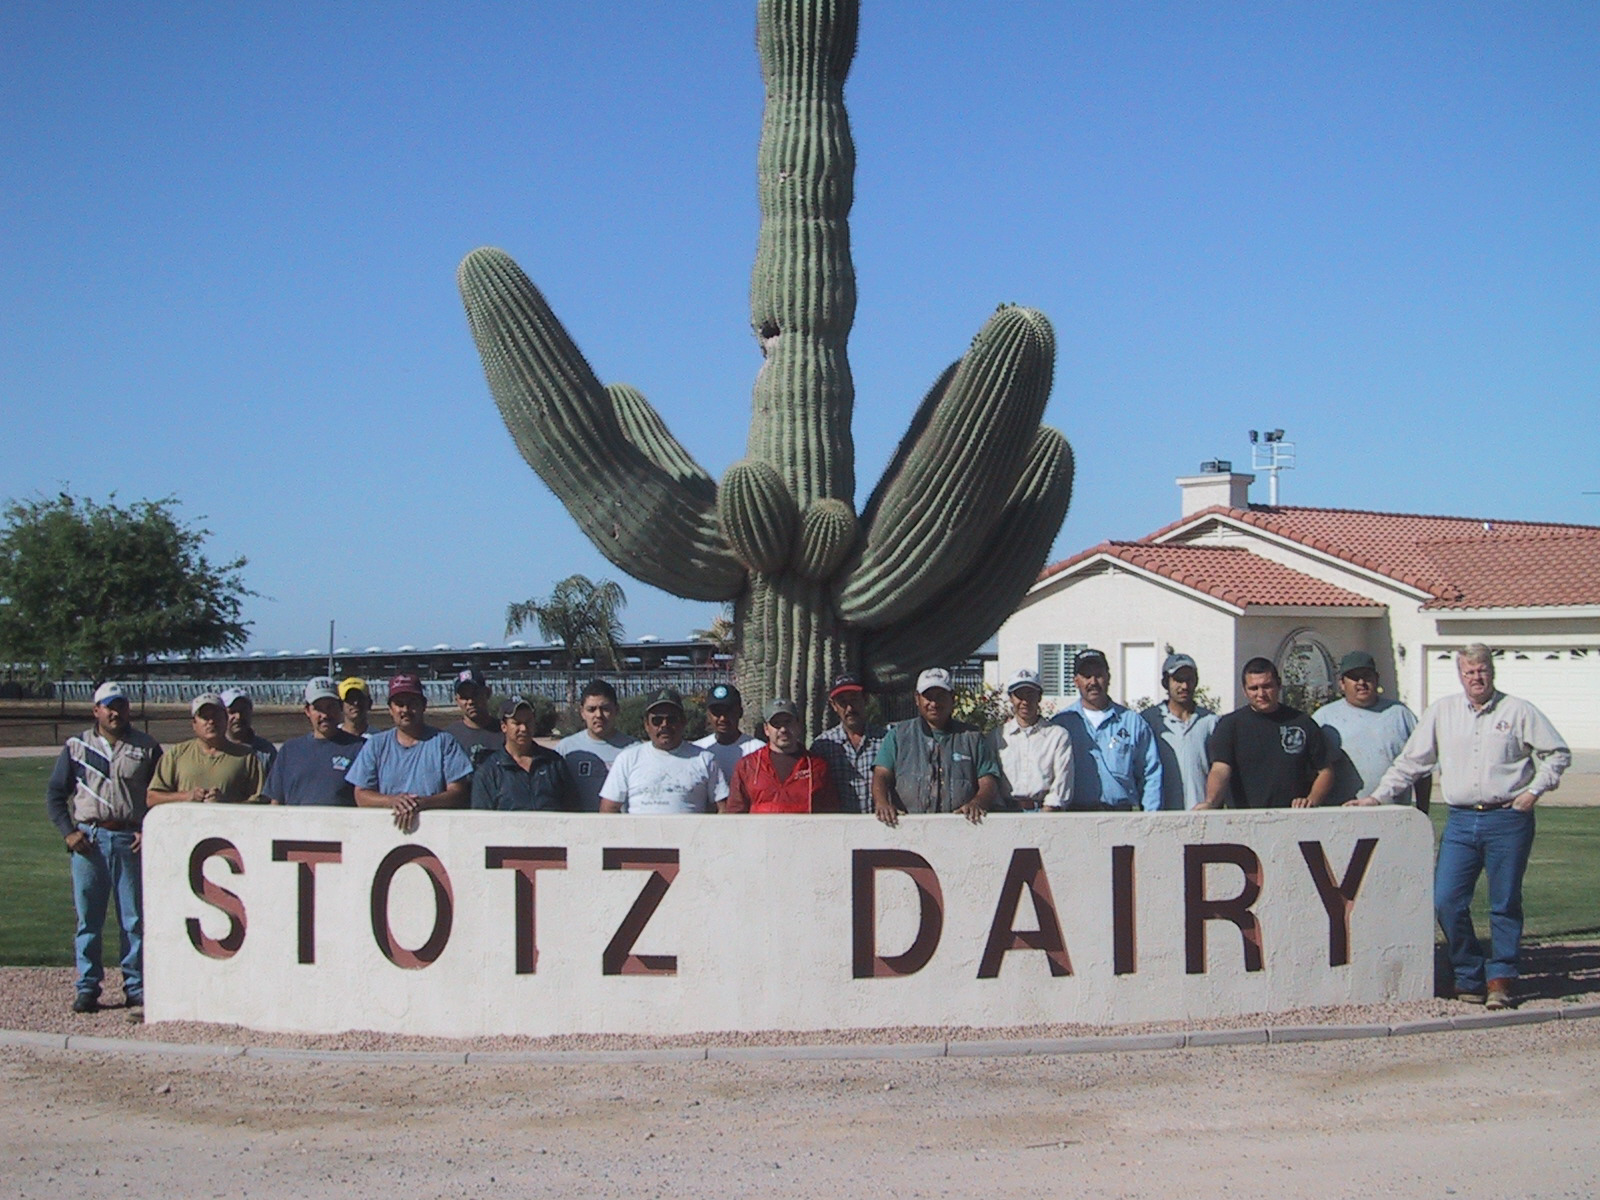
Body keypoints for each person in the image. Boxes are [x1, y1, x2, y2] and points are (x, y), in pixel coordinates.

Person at [1356, 644, 1570, 1009]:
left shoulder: (1518, 711)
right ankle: (1469, 973)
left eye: (1482, 670)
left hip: (1508, 818)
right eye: (1469, 672)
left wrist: (1534, 791)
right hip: (1461, 820)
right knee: (1446, 900)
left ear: (1492, 671)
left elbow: (1557, 753)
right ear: (1460, 674)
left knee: (1504, 902)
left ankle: (1501, 977)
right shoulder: (1443, 712)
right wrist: (1377, 796)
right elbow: (1412, 762)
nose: (1477, 677)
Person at [44, 682, 162, 1015]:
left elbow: (159, 794)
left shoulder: (147, 747)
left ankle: (135, 986)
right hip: (89, 841)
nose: (115, 712)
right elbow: (56, 795)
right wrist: (68, 832)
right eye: (108, 706)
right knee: (88, 919)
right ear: (96, 710)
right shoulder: (77, 746)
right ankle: (87, 987)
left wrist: (147, 828)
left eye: (120, 705)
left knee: (134, 920)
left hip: (130, 840)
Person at [1199, 658, 1334, 810]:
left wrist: (1311, 801)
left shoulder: (1302, 723)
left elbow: (1325, 771)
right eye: (1254, 688)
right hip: (1244, 821)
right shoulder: (1229, 725)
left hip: (1293, 820)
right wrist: (1210, 802)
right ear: (1244, 690)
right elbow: (1220, 769)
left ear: (1279, 685)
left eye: (1267, 686)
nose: (1261, 694)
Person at [346, 673, 474, 830]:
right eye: (399, 704)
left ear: (424, 705)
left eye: (412, 703)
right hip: (385, 832)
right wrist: (392, 801)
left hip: (435, 832)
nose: (405, 710)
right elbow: (361, 795)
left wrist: (421, 803)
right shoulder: (375, 744)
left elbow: (458, 793)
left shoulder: (445, 742)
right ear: (390, 709)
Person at [872, 668, 998, 826]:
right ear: (917, 699)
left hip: (961, 828)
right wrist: (882, 803)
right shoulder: (897, 736)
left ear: (952, 698)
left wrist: (977, 803)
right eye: (928, 697)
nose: (934, 703)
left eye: (940, 696)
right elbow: (881, 774)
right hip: (907, 828)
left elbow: (988, 780)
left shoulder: (972, 737)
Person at [1313, 650, 1431, 810]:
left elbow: (1422, 767)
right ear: (1342, 683)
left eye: (1367, 676)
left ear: (1377, 679)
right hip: (1340, 814)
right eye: (1354, 677)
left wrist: (1423, 810)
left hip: (1393, 813)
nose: (1361, 682)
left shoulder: (1400, 714)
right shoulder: (1323, 718)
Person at [1051, 649, 1162, 812]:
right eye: (1086, 676)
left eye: (1098, 675)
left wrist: (1151, 818)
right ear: (1076, 681)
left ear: (1108, 677)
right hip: (1075, 818)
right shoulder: (1062, 724)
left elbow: (1150, 773)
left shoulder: (1132, 722)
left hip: (1122, 816)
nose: (1093, 682)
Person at [599, 687, 728, 814]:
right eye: (657, 720)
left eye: (671, 719)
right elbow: (608, 809)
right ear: (646, 725)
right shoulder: (627, 759)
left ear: (683, 721)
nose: (664, 725)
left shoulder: (705, 759)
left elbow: (723, 808)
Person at [260, 678, 364, 807]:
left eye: (330, 707)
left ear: (340, 707)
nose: (325, 715)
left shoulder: (360, 748)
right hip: (295, 825)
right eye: (318, 709)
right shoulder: (289, 750)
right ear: (307, 711)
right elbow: (276, 800)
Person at [147, 693, 265, 807]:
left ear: (225, 719)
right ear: (194, 723)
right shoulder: (175, 755)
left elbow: (261, 802)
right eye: (205, 717)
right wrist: (186, 796)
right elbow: (152, 798)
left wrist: (227, 803)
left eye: (216, 716)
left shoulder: (247, 757)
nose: (211, 722)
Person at [1140, 652, 1219, 811]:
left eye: (1189, 679)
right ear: (1165, 682)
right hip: (1160, 816)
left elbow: (1218, 769)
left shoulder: (1210, 721)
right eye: (1178, 680)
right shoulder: (1149, 721)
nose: (1184, 686)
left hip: (1201, 815)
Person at [727, 698, 835, 813]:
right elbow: (735, 813)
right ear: (766, 729)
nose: (783, 729)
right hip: (759, 831)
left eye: (788, 722)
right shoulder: (748, 765)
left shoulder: (817, 767)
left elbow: (830, 813)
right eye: (776, 724)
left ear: (798, 725)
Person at [472, 696, 578, 812]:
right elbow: (481, 820)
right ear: (504, 726)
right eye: (517, 723)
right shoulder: (488, 771)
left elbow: (572, 808)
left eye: (528, 722)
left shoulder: (554, 763)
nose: (523, 728)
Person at [987, 668, 1072, 811]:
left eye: (1031, 694)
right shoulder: (997, 736)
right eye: (1019, 695)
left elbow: (1062, 782)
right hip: (1005, 813)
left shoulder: (1057, 736)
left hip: (1044, 812)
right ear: (1011, 698)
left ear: (1039, 697)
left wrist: (1047, 812)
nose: (1025, 701)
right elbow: (991, 779)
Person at [809, 672, 886, 814]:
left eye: (854, 700)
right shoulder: (823, 745)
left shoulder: (885, 740)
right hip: (839, 828)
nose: (850, 708)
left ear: (865, 699)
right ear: (834, 705)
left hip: (879, 825)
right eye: (843, 702)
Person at [557, 678, 637, 812]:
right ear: (582, 712)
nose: (598, 715)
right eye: (591, 709)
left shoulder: (634, 749)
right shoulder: (566, 749)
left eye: (605, 709)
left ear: (616, 710)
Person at [693, 682, 762, 781]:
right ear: (708, 715)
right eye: (717, 712)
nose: (723, 718)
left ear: (740, 712)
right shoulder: (698, 751)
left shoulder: (758, 750)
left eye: (729, 711)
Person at [446, 668, 503, 770]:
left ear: (487, 693)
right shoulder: (449, 737)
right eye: (464, 697)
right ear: (457, 700)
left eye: (475, 694)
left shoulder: (504, 731)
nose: (471, 701)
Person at [220, 688, 277, 777]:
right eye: (232, 712)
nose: (238, 717)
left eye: (243, 711)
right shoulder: (214, 749)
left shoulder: (266, 751)